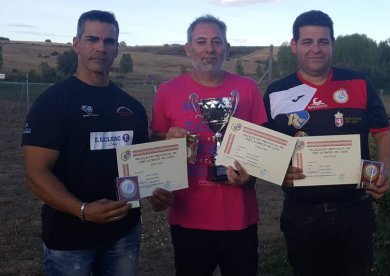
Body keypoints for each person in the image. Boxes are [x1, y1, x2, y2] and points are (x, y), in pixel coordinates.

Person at [21, 10, 172, 276]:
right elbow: (36, 173)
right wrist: (82, 210)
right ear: (76, 44)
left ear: (116, 49)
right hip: (69, 239)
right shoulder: (53, 102)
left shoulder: (132, 107)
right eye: (92, 39)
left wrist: (154, 191)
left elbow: (136, 165)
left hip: (123, 234)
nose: (101, 48)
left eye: (109, 41)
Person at [263, 10, 390, 276]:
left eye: (323, 42)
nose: (316, 49)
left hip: (355, 212)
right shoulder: (277, 92)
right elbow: (265, 146)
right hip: (302, 214)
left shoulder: (358, 84)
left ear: (333, 45)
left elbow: (384, 133)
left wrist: (386, 169)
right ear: (294, 46)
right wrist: (276, 168)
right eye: (307, 42)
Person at [150, 14, 267, 276]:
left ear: (226, 47)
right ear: (188, 49)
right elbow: (155, 144)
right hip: (188, 216)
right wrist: (167, 141)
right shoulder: (168, 92)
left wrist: (250, 176)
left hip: (239, 217)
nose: (209, 49)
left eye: (216, 41)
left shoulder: (247, 88)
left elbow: (262, 147)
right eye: (201, 41)